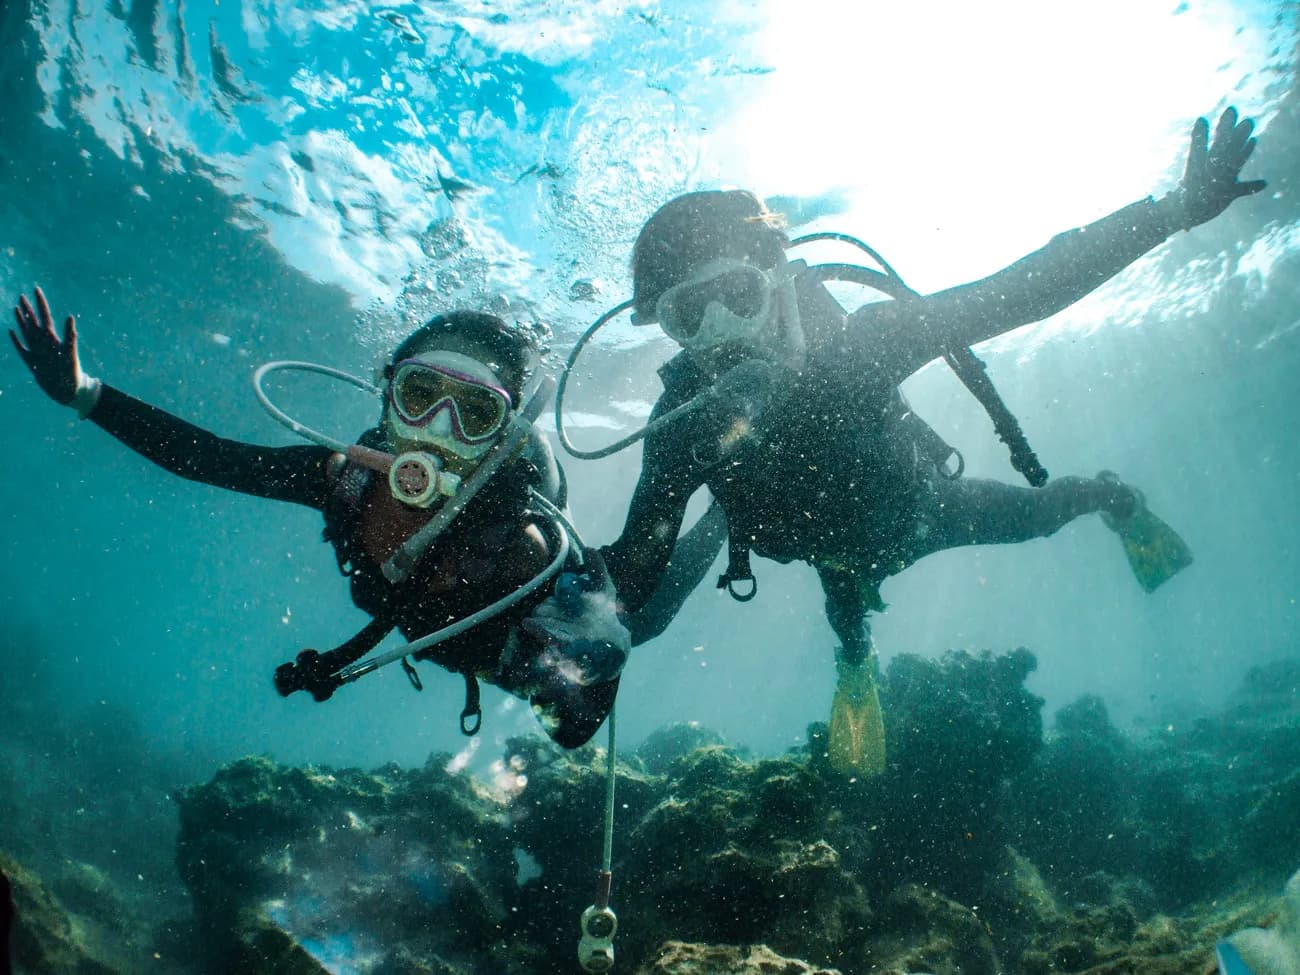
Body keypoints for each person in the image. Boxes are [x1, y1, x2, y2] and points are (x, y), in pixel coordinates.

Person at [598, 106, 1265, 774]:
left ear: (776, 280)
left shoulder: (865, 347)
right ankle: (856, 663)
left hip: (923, 511)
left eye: (737, 296)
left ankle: (1110, 496)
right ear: (666, 329)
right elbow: (634, 573)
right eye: (688, 314)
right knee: (841, 612)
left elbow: (1020, 291)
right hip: (815, 547)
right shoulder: (683, 426)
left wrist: (1175, 209)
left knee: (1036, 517)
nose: (723, 335)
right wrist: (571, 615)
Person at [9, 291, 721, 748]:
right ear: (387, 404)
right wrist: (83, 394)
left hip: (528, 626)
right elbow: (209, 458)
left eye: (472, 414)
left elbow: (576, 724)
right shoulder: (343, 480)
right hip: (433, 631)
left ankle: (723, 523)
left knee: (642, 615)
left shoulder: (522, 549)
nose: (438, 431)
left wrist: (580, 654)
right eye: (420, 396)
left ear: (500, 438)